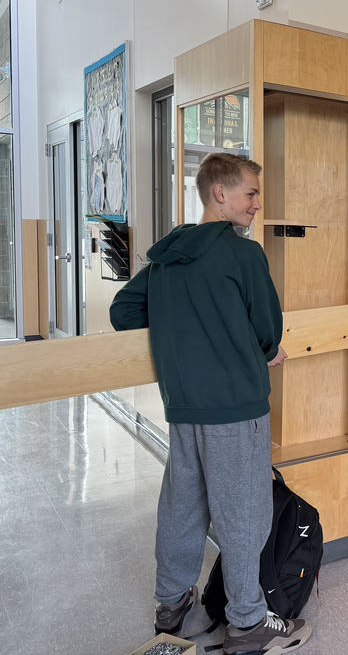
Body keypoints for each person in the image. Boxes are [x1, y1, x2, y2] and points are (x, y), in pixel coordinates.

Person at [110, 152, 311, 653]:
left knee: (184, 507)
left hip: (183, 406)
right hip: (236, 407)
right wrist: (261, 349)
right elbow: (268, 329)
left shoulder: (165, 258)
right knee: (243, 511)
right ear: (219, 193)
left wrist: (185, 332)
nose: (257, 205)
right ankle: (247, 623)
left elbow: (123, 312)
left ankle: (174, 609)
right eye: (251, 193)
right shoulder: (242, 255)